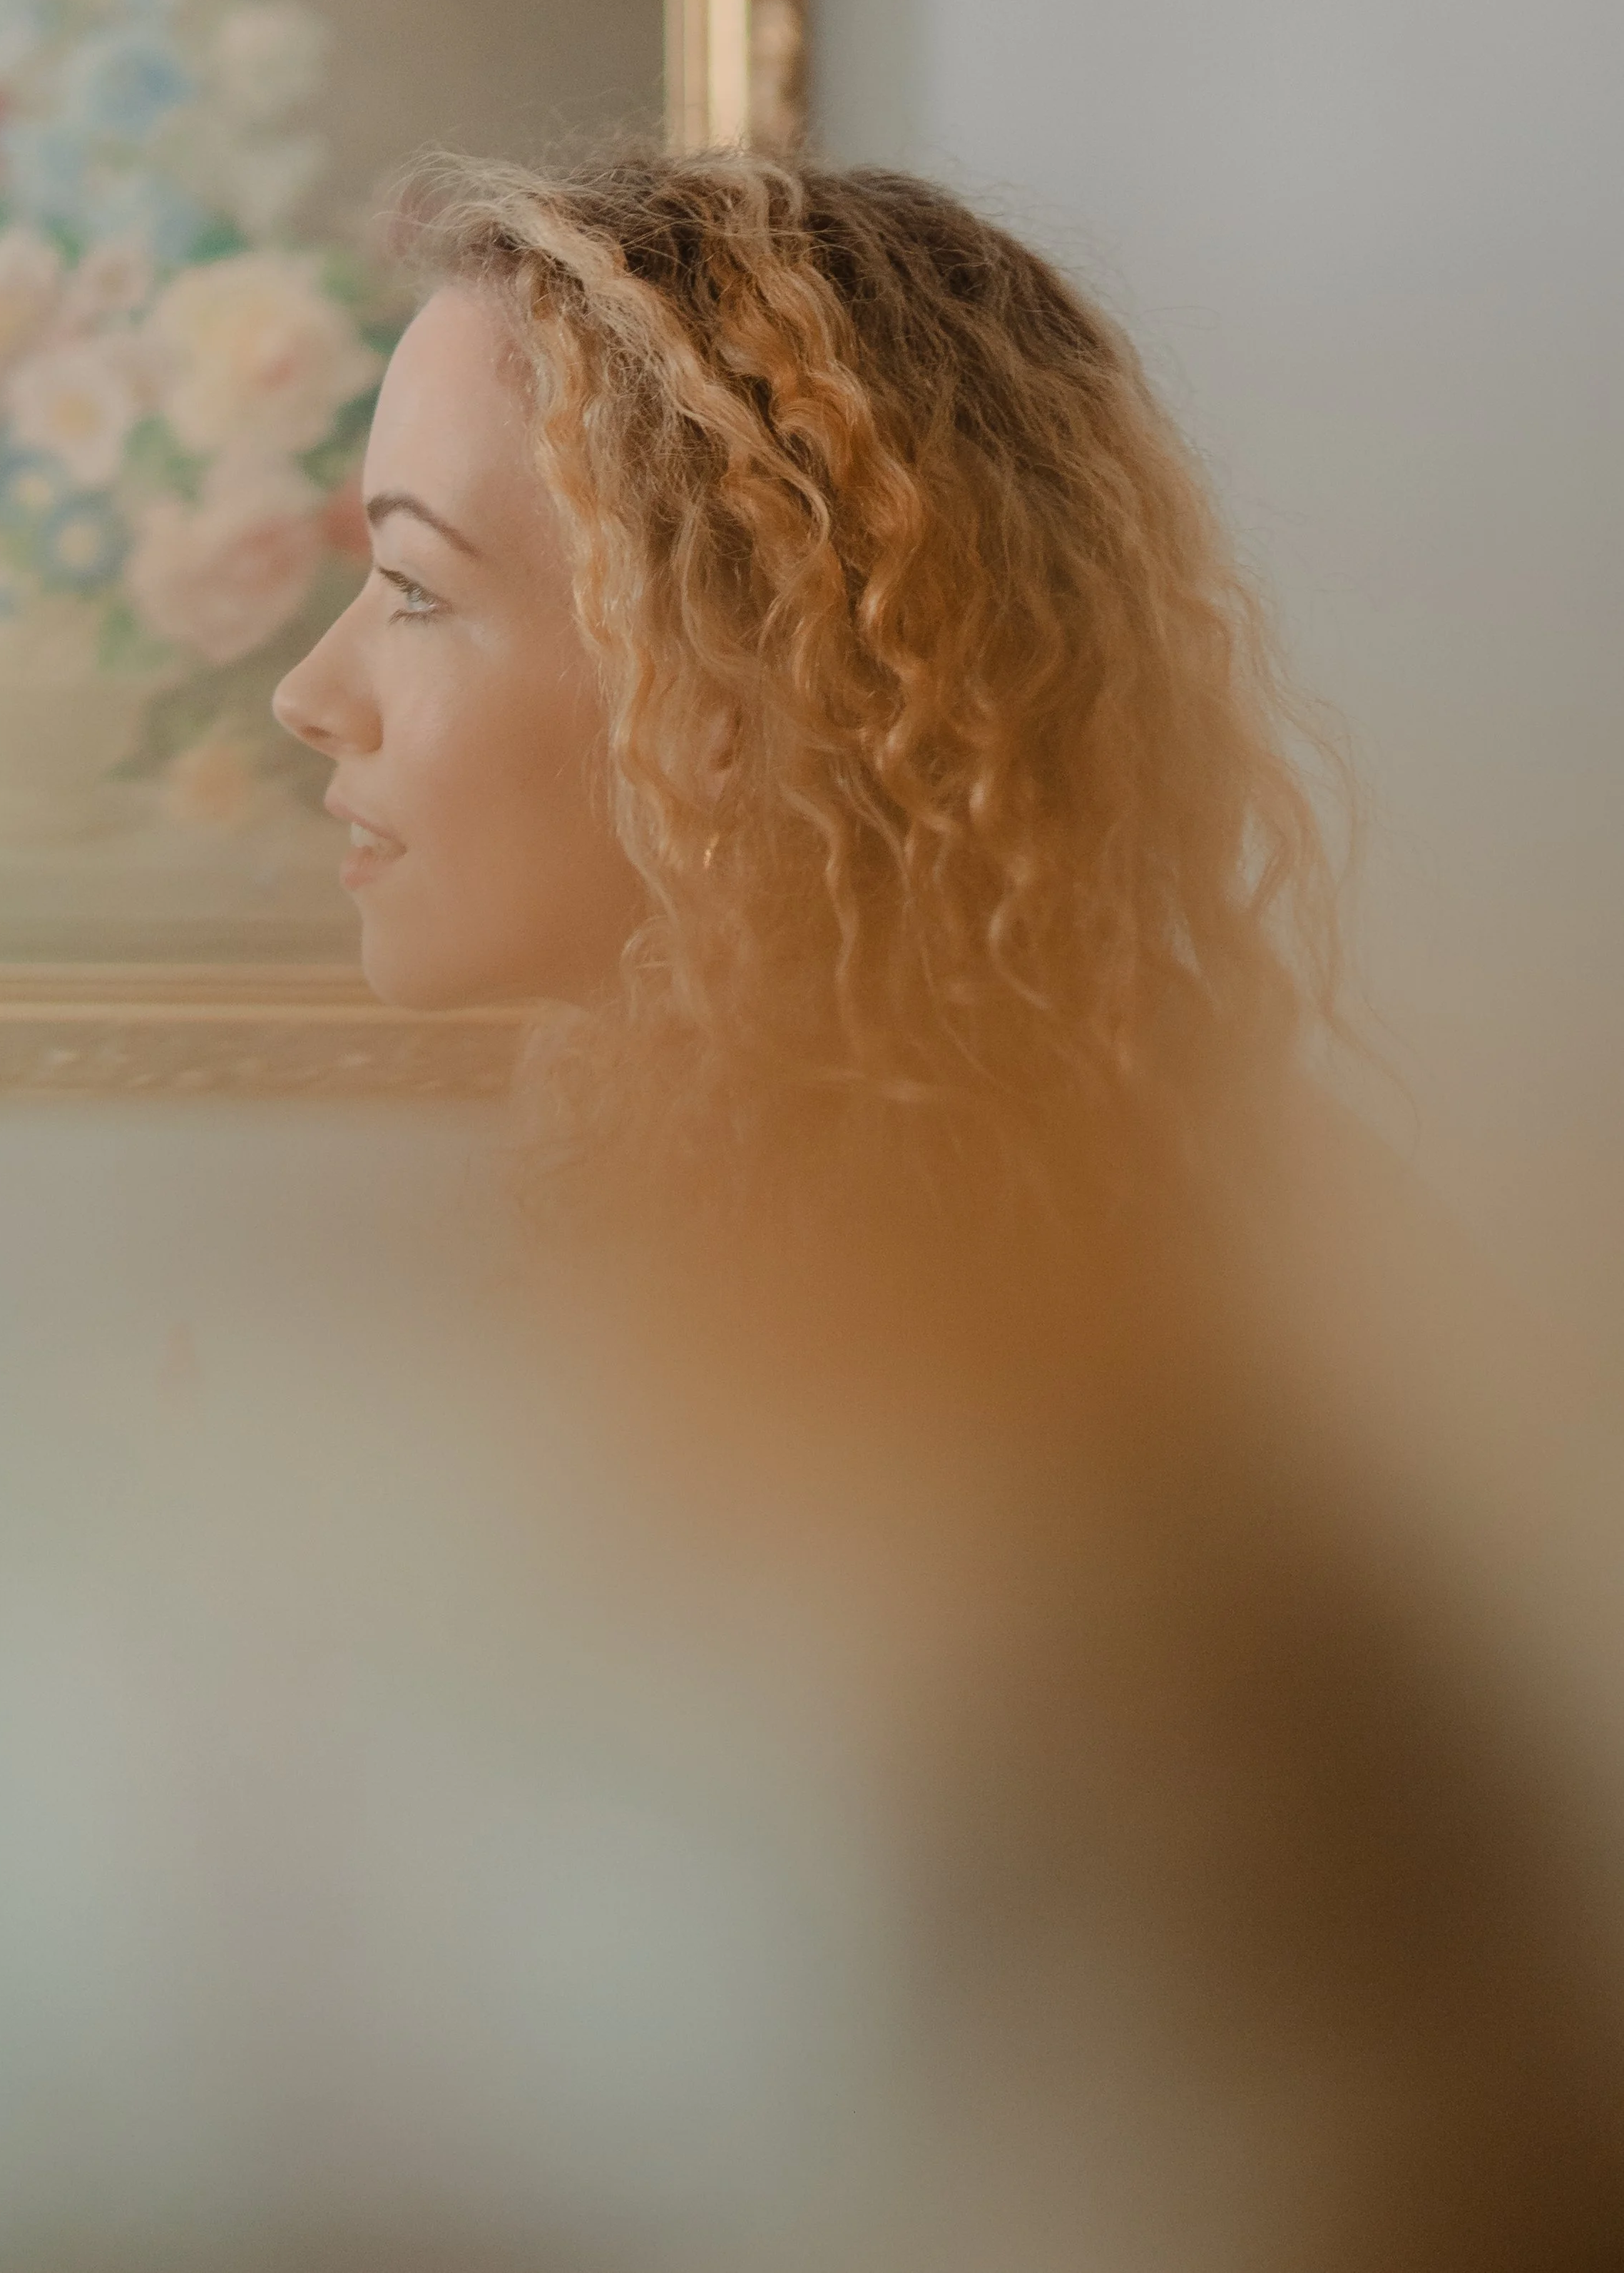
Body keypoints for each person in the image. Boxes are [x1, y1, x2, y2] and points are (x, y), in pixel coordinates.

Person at [275, 149, 1624, 2272]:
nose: (313, 690)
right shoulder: (765, 1232)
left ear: (719, 685)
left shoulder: (1111, 1346)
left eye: (420, 589)